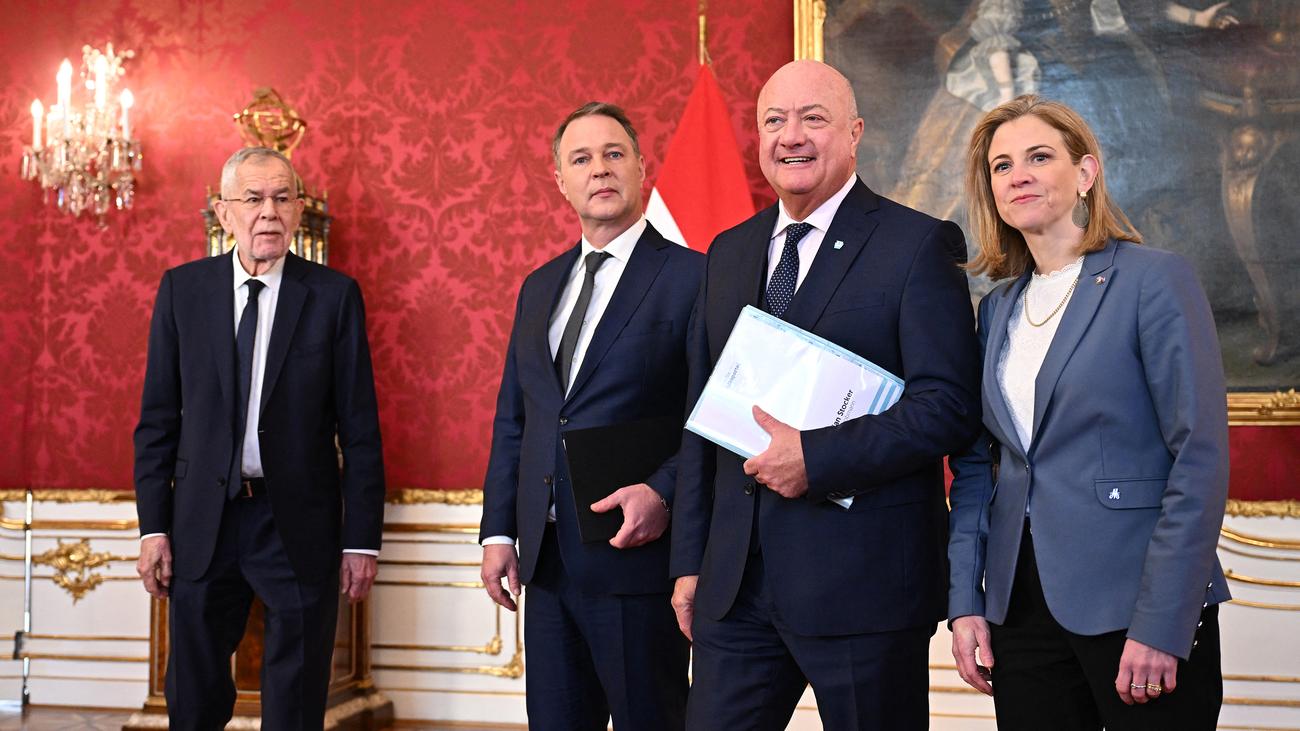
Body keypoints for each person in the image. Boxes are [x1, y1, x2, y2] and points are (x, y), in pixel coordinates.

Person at [669, 60, 982, 730]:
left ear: (855, 132)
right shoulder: (728, 252)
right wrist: (689, 562)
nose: (792, 136)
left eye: (813, 118)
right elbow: (702, 418)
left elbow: (948, 406)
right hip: (736, 589)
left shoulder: (916, 245)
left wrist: (817, 457)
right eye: (774, 120)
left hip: (865, 586)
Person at [947, 95, 1229, 730]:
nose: (1018, 175)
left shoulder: (1153, 280)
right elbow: (978, 469)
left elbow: (1199, 459)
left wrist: (1163, 622)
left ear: (1085, 172)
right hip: (1020, 612)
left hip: (1136, 605)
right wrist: (966, 601)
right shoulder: (996, 310)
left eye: (1038, 157)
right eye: (1001, 166)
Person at [133, 147, 386, 730]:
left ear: (297, 210)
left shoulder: (333, 296)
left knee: (296, 700)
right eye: (252, 198)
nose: (268, 211)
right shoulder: (182, 290)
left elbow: (361, 431)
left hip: (297, 523)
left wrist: (361, 541)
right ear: (224, 212)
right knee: (193, 697)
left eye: (281, 198)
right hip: (204, 521)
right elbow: (157, 422)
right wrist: (154, 528)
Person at [478, 102, 701, 731]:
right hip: (546, 565)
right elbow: (517, 420)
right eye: (581, 159)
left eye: (613, 154)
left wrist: (664, 490)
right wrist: (498, 533)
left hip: (637, 559)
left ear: (640, 167)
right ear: (561, 180)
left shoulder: (694, 276)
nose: (599, 169)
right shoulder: (539, 286)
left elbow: (713, 418)